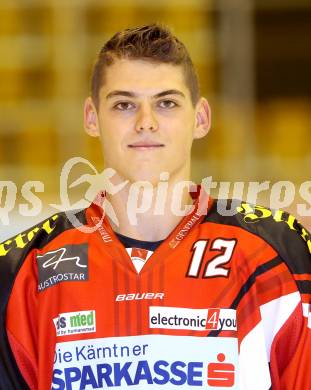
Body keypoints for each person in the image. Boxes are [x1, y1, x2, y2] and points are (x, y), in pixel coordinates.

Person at [0, 23, 310, 390]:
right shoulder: (23, 270)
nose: (145, 122)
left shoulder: (276, 256)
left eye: (166, 103)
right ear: (91, 117)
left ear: (200, 118)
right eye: (123, 104)